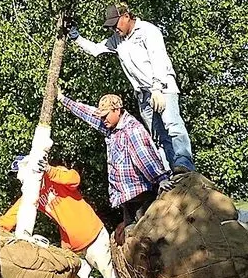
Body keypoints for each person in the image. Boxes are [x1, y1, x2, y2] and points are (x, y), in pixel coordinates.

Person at [69, 3, 194, 173]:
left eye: (115, 24)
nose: (114, 29)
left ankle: (185, 164)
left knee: (173, 126)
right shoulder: (117, 40)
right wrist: (76, 37)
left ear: (126, 16)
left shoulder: (148, 31)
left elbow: (159, 59)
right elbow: (96, 50)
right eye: (111, 26)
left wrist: (157, 88)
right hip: (143, 95)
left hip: (162, 88)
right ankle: (171, 173)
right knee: (158, 137)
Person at [0, 155, 120, 278]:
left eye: (19, 172)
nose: (18, 177)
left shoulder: (55, 175)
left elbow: (74, 178)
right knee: (70, 270)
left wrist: (48, 170)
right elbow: (12, 216)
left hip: (91, 233)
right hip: (70, 243)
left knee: (111, 272)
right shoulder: (31, 194)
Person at [57, 90, 170, 228]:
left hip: (141, 195)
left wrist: (161, 179)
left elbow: (145, 158)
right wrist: (62, 99)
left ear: (117, 110)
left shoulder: (131, 129)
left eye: (106, 116)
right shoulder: (111, 127)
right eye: (102, 116)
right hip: (127, 197)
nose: (103, 120)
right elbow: (87, 113)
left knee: (145, 234)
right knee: (132, 236)